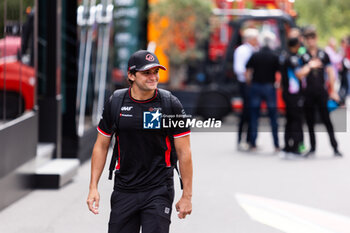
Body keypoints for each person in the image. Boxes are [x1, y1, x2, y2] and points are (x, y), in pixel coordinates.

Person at [87, 50, 193, 233]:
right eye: (146, 73)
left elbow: (185, 152)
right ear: (131, 75)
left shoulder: (169, 104)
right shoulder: (116, 102)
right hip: (124, 188)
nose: (153, 77)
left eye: (155, 72)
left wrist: (187, 196)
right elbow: (101, 146)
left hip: (159, 189)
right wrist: (93, 187)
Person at [296, 26, 342, 157]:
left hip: (321, 91)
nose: (311, 41)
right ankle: (312, 147)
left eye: (312, 38)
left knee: (327, 120)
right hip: (308, 92)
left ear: (316, 39)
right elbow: (299, 74)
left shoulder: (323, 54)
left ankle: (335, 147)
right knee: (309, 121)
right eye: (308, 39)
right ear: (305, 40)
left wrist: (333, 90)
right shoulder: (303, 56)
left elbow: (330, 72)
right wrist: (310, 66)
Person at [245, 31, 280, 152]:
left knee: (254, 115)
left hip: (256, 86)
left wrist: (250, 83)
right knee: (273, 117)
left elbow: (248, 72)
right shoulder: (274, 56)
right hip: (269, 88)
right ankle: (276, 144)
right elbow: (279, 73)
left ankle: (253, 143)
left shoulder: (255, 55)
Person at [233, 28, 259, 150]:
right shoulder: (242, 50)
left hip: (253, 84)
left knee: (252, 112)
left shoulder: (254, 50)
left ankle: (250, 139)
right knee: (246, 112)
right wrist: (249, 77)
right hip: (245, 84)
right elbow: (239, 69)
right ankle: (240, 140)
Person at [280, 33, 305, 156]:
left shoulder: (285, 56)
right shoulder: (293, 58)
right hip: (293, 94)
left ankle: (287, 146)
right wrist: (310, 66)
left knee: (290, 120)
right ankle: (295, 147)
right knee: (295, 120)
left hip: (287, 93)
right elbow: (299, 74)